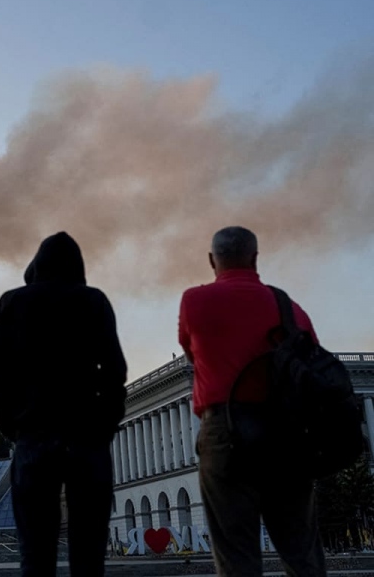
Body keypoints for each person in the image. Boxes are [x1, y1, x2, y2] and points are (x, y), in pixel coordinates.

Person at [179, 226, 326, 576]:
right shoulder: (290, 309)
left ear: (212, 260)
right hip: (287, 436)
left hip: (225, 434)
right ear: (255, 257)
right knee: (301, 549)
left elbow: (192, 355)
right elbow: (313, 365)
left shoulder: (195, 301)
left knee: (236, 556)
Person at [0, 231, 127, 577]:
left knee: (35, 557)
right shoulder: (95, 302)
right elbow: (115, 373)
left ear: (37, 266)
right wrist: (104, 428)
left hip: (33, 439)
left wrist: (16, 429)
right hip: (87, 441)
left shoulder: (11, 304)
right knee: (90, 556)